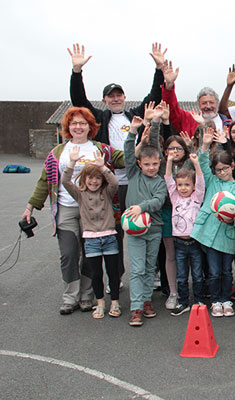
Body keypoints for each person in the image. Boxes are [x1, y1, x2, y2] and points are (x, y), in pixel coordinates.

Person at [68, 42, 166, 283]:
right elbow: (78, 100)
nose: (115, 99)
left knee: (145, 225)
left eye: (118, 95)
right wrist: (76, 72)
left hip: (134, 183)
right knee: (111, 232)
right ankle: (115, 276)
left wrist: (159, 68)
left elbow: (155, 96)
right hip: (108, 185)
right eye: (110, 96)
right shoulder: (100, 119)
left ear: (124, 97)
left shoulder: (135, 115)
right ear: (104, 100)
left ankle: (150, 271)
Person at [22, 107, 124, 314]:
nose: (78, 127)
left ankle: (87, 296)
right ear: (67, 127)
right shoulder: (58, 153)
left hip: (95, 211)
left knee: (90, 255)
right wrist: (30, 207)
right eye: (74, 123)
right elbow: (45, 181)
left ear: (90, 127)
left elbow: (128, 157)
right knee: (68, 254)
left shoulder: (102, 149)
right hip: (67, 207)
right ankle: (70, 296)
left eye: (83, 123)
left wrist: (140, 135)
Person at [191, 132, 235, 318]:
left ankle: (226, 299)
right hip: (208, 234)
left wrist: (233, 219)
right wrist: (205, 146)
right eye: (218, 170)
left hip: (227, 235)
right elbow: (201, 164)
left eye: (225, 168)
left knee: (226, 270)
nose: (222, 172)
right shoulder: (212, 181)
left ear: (232, 166)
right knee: (214, 271)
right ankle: (216, 300)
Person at [61, 147, 121, 318]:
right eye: (90, 177)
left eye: (98, 178)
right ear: (84, 178)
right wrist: (71, 163)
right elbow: (65, 181)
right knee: (96, 273)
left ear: (102, 180)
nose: (94, 181)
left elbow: (115, 183)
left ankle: (115, 302)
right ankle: (100, 302)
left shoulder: (107, 192)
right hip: (91, 240)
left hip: (109, 236)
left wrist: (103, 168)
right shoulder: (79, 194)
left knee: (113, 272)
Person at [124, 114, 168, 327]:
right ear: (139, 164)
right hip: (134, 231)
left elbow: (158, 201)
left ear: (159, 162)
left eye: (154, 163)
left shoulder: (160, 181)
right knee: (138, 269)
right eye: (147, 164)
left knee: (150, 268)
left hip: (154, 229)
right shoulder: (133, 174)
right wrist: (133, 131)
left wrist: (157, 124)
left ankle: (147, 301)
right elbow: (127, 153)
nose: (151, 167)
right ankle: (136, 308)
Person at [165, 153, 206, 316]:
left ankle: (199, 301)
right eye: (180, 185)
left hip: (194, 243)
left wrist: (196, 164)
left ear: (193, 186)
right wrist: (168, 161)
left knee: (197, 275)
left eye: (186, 185)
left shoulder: (197, 197)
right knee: (182, 276)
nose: (182, 188)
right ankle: (183, 302)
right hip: (179, 244)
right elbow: (168, 179)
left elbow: (201, 181)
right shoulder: (175, 197)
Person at [161, 60, 231, 136]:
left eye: (211, 102)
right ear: (199, 105)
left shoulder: (228, 124)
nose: (208, 106)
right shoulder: (189, 119)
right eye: (204, 103)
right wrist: (169, 85)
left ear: (217, 103)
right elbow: (172, 110)